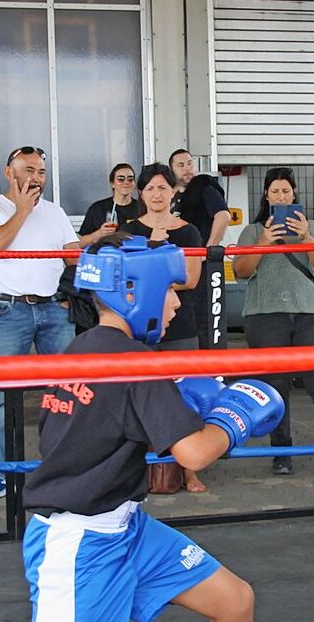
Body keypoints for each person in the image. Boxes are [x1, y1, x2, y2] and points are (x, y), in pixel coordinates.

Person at [0, 235, 314, 622]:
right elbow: (194, 454)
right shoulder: (134, 363)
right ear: (137, 290)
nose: (176, 303)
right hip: (78, 545)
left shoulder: (83, 347)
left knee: (233, 600)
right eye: (171, 290)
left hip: (126, 527)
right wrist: (234, 416)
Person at [0, 146, 79, 501]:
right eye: (29, 170)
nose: (36, 178)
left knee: (68, 392)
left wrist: (69, 291)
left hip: (53, 310)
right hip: (8, 311)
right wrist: (21, 211)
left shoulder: (56, 211)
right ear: (9, 173)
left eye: (41, 172)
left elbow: (72, 256)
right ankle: (4, 475)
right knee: (8, 396)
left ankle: (64, 470)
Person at [236, 167, 314, 479]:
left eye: (286, 191)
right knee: (275, 387)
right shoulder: (252, 230)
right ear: (266, 195)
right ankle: (282, 452)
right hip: (265, 315)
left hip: (309, 314)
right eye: (275, 191)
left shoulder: (311, 226)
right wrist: (262, 241)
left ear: (295, 194)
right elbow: (242, 271)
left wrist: (305, 236)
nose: (281, 196)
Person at [121, 163, 207, 493]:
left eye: (163, 187)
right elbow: (124, 279)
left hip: (180, 324)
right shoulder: (129, 230)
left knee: (186, 397)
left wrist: (153, 258)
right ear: (141, 193)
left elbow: (190, 279)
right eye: (151, 188)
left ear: (174, 192)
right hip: (139, 325)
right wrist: (156, 252)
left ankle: (190, 470)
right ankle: (136, 471)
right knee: (136, 396)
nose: (157, 194)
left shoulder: (189, 231)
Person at [169, 148, 231, 349]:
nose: (187, 169)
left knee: (205, 318)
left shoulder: (203, 187)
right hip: (174, 265)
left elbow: (223, 215)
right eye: (181, 165)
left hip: (202, 265)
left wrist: (208, 249)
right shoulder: (167, 195)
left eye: (189, 163)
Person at [78, 163, 139, 248]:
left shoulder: (142, 208)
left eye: (130, 179)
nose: (126, 182)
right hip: (106, 256)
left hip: (133, 256)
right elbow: (80, 243)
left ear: (134, 183)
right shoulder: (98, 208)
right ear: (112, 183)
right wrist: (99, 233)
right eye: (121, 179)